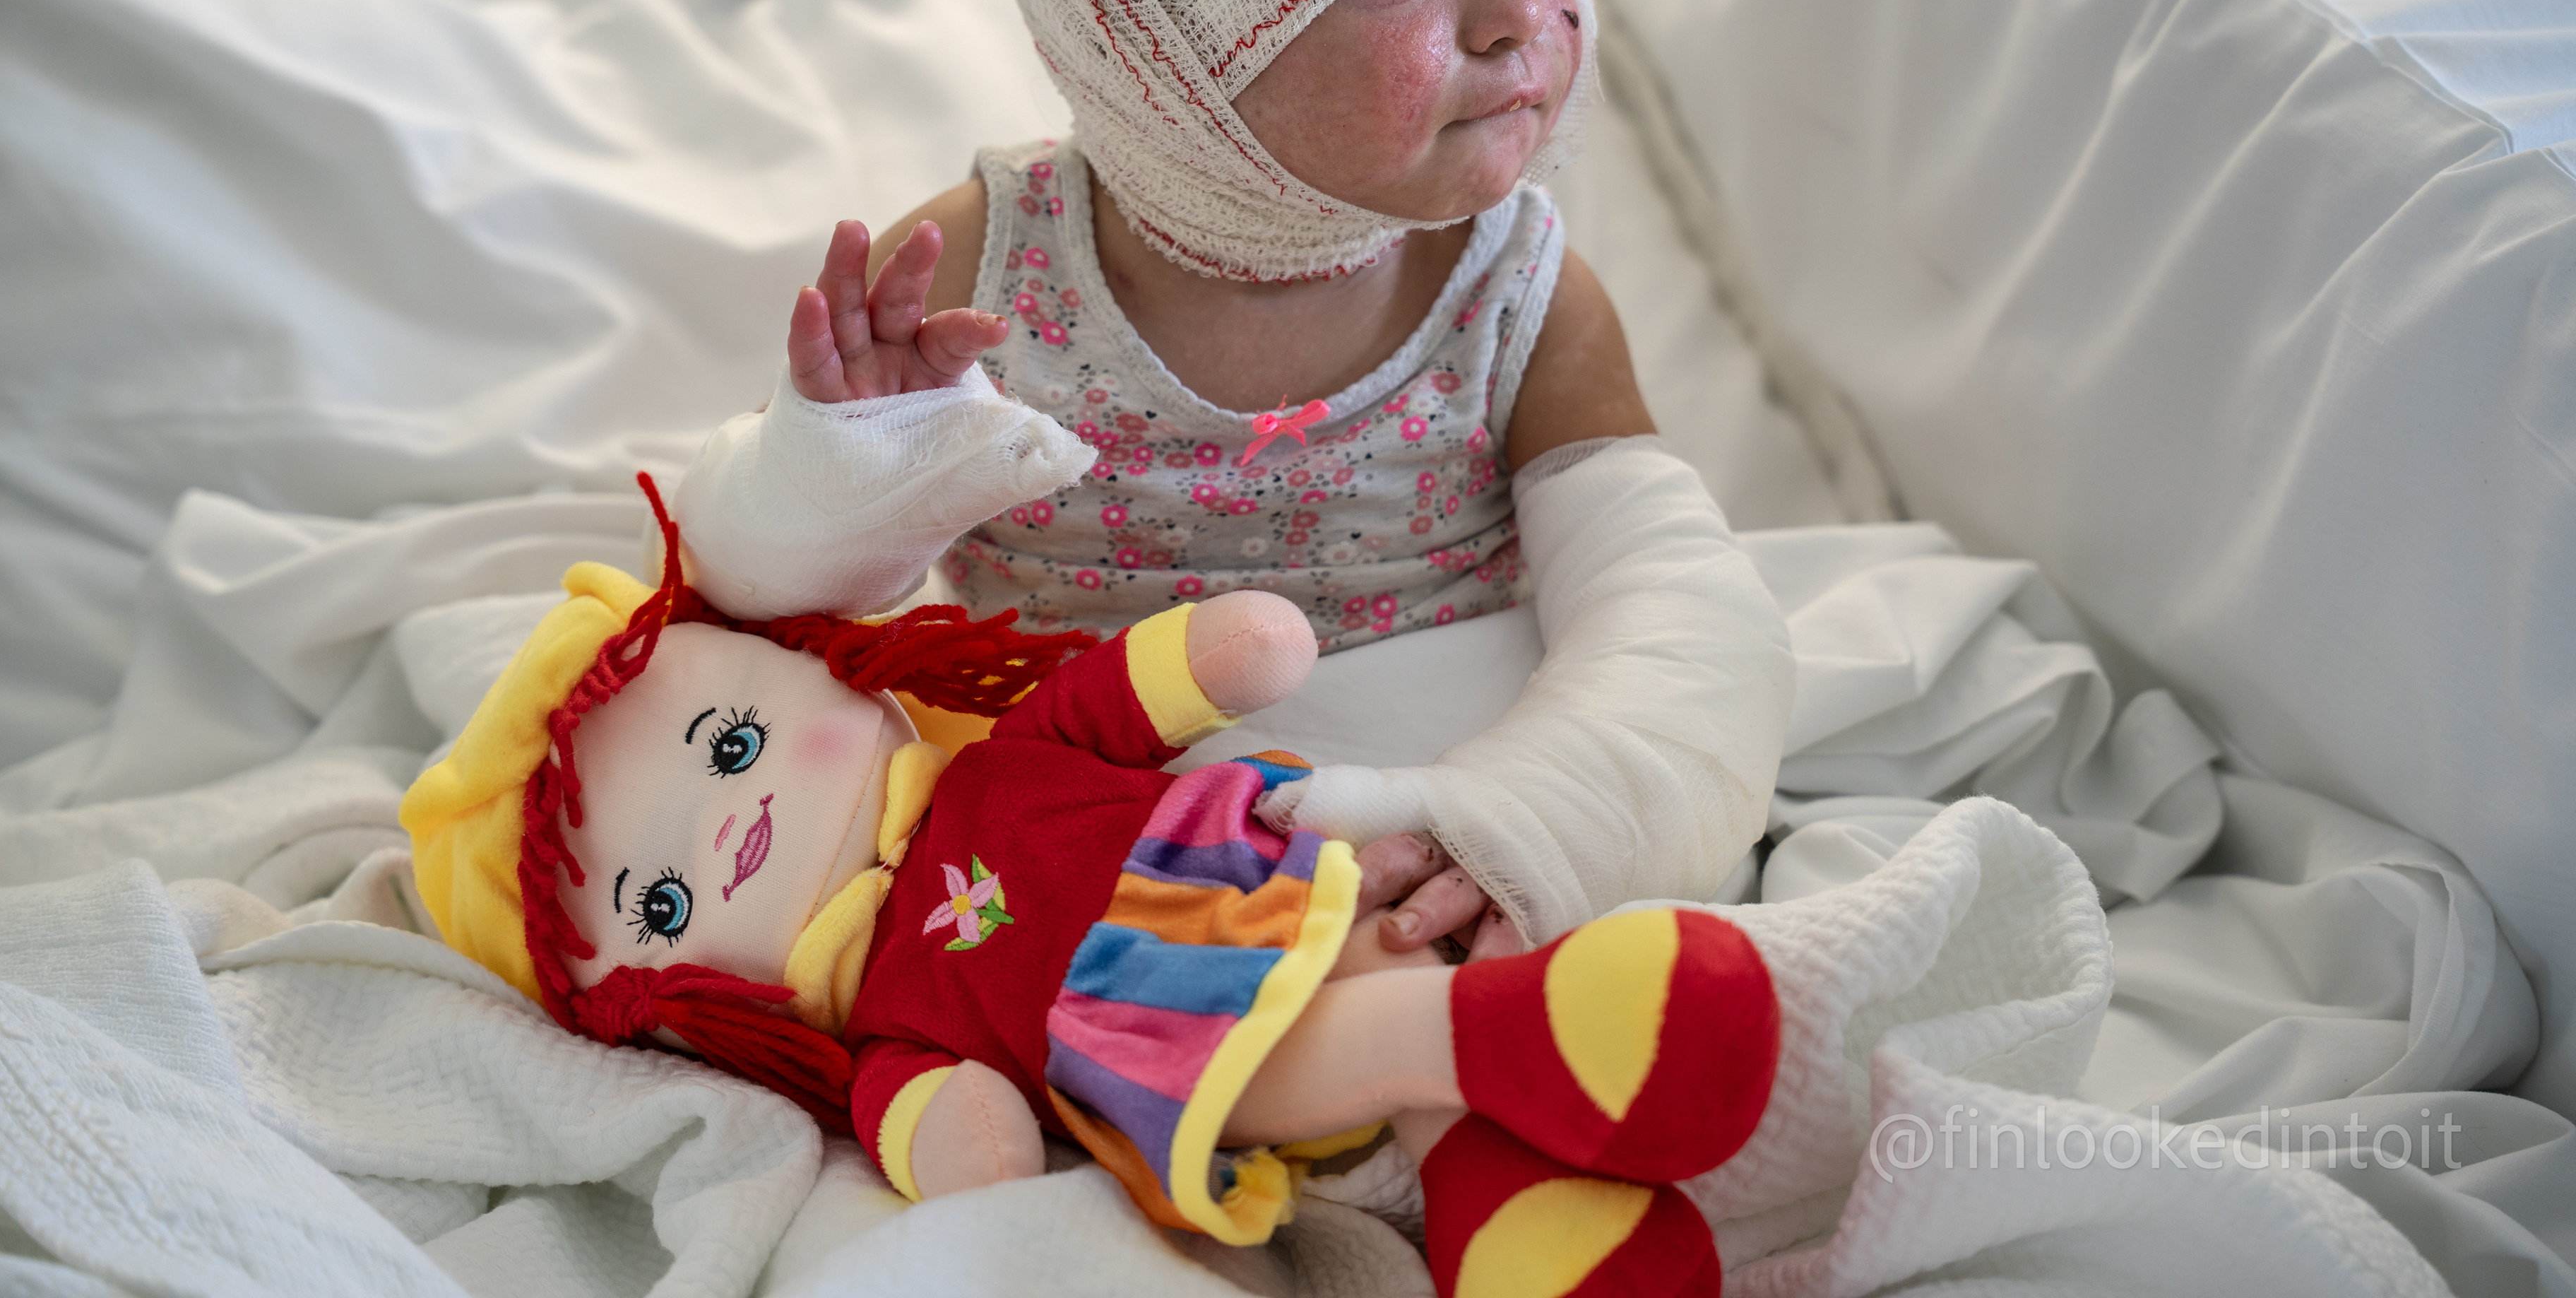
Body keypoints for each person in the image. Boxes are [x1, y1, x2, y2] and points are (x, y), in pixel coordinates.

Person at [668, 0, 1797, 972]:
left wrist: (1529, 826)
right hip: (1102, 867)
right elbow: (758, 587)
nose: (1521, 8)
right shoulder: (978, 284)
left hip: (1453, 844)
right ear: (1161, 22)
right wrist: (847, 466)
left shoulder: (1513, 293)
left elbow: (1683, 623)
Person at [400, 480, 1780, 1297]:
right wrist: (955, 1135)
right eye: (658, 902)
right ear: (681, 1000)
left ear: (818, 659)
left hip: (1262, 856)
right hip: (1142, 1011)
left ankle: (1493, 1176)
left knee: (1386, 943)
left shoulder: (999, 762)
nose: (733, 829)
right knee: (1287, 1036)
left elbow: (1107, 700)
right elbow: (949, 1122)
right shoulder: (887, 1015)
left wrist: (1218, 653)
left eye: (734, 743)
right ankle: (1497, 1040)